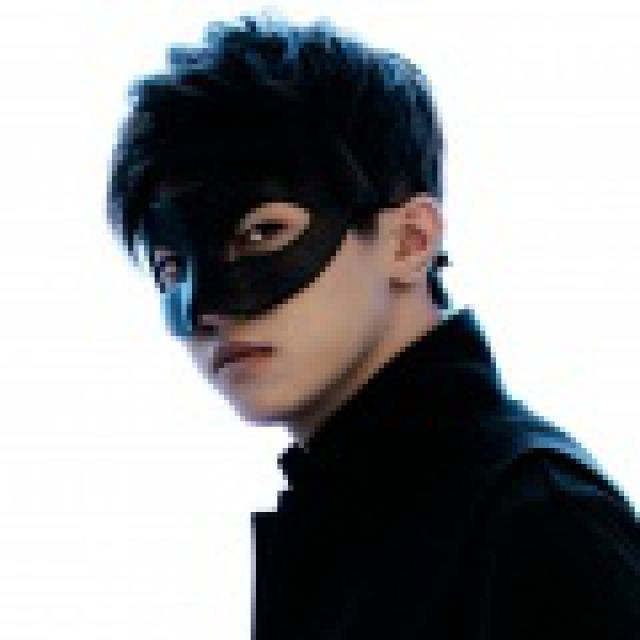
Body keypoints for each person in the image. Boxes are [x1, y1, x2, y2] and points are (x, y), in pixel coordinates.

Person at [106, 11, 640, 640]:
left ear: (411, 241)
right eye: (170, 268)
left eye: (262, 234)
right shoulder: (345, 529)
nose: (207, 310)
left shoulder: (542, 525)